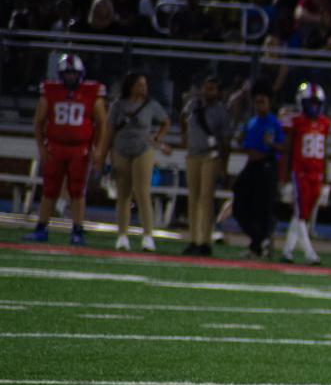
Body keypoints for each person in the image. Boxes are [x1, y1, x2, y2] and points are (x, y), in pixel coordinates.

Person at [25, 53, 106, 246]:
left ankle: (77, 230)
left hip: (80, 149)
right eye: (67, 73)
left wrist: (97, 148)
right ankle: (41, 228)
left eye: (74, 73)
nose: (71, 77)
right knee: (49, 189)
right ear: (61, 74)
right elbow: (38, 122)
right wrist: (41, 148)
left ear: (81, 74)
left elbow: (102, 123)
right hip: (55, 147)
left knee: (77, 190)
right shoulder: (50, 92)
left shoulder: (92, 93)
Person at [99, 71, 172, 252]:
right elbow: (109, 131)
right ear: (131, 86)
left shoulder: (150, 105)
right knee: (123, 195)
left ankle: (147, 236)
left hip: (143, 149)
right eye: (140, 85)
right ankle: (122, 236)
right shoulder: (118, 106)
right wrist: (103, 155)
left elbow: (165, 121)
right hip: (121, 150)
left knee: (143, 193)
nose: (144, 88)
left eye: (145, 85)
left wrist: (156, 139)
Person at [180, 75, 232, 256]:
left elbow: (225, 141)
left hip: (211, 157)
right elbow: (183, 119)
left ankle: (204, 240)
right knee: (193, 198)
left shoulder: (221, 111)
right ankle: (193, 238)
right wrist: (185, 139)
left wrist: (223, 165)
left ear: (218, 92)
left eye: (211, 88)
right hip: (193, 155)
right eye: (206, 87)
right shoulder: (194, 105)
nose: (207, 91)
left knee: (206, 199)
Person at [280, 82, 330, 265]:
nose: (314, 107)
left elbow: (326, 152)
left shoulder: (325, 123)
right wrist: (284, 176)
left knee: (302, 214)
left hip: (316, 174)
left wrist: (326, 176)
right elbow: (287, 149)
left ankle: (287, 251)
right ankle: (310, 253)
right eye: (311, 103)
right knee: (301, 214)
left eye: (317, 103)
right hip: (300, 172)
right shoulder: (295, 122)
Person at [233, 87, 283, 257]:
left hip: (267, 166)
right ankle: (260, 239)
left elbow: (283, 147)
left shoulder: (274, 123)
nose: (259, 105)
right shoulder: (252, 122)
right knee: (239, 203)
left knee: (262, 207)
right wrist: (240, 140)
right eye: (257, 101)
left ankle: (258, 245)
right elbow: (243, 143)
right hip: (252, 165)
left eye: (263, 101)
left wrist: (272, 144)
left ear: (269, 103)